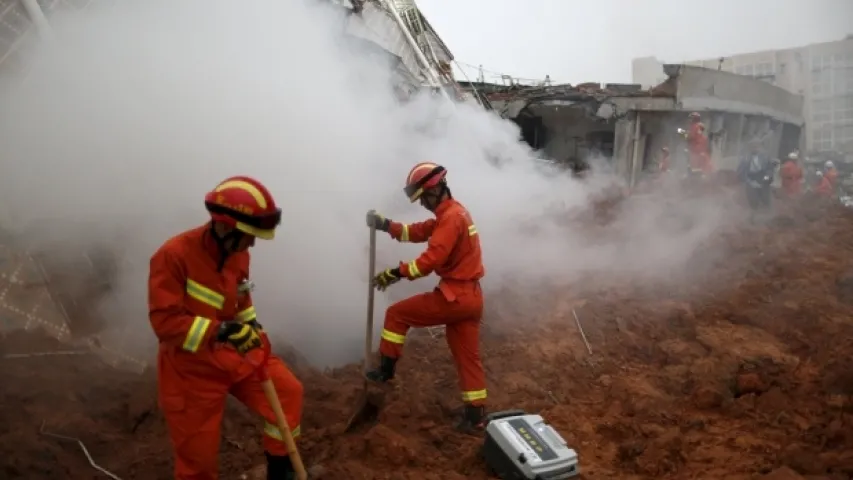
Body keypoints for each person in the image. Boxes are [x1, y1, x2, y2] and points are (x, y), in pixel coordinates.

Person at [148, 176, 306, 480]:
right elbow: (164, 324)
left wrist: (251, 326)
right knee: (199, 463)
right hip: (191, 371)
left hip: (234, 355)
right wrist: (222, 332)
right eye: (249, 235)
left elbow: (242, 296)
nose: (253, 243)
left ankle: (279, 468)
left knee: (288, 392)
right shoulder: (173, 256)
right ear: (223, 227)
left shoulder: (238, 252)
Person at [365, 162, 487, 432]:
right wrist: (386, 225)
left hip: (455, 297)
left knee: (396, 314)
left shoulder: (451, 218)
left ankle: (384, 372)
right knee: (468, 358)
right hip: (472, 298)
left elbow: (429, 261)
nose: (422, 205)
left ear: (436, 190)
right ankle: (475, 415)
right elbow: (417, 231)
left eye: (424, 199)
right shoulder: (454, 213)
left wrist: (396, 272)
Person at [737, 141, 777, 221]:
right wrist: (748, 181)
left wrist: (767, 177)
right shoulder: (745, 159)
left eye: (756, 146)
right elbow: (741, 172)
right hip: (751, 179)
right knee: (752, 200)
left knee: (765, 198)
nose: (755, 148)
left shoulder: (765, 157)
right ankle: (753, 218)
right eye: (753, 147)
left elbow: (770, 169)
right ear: (749, 148)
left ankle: (767, 218)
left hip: (762, 178)